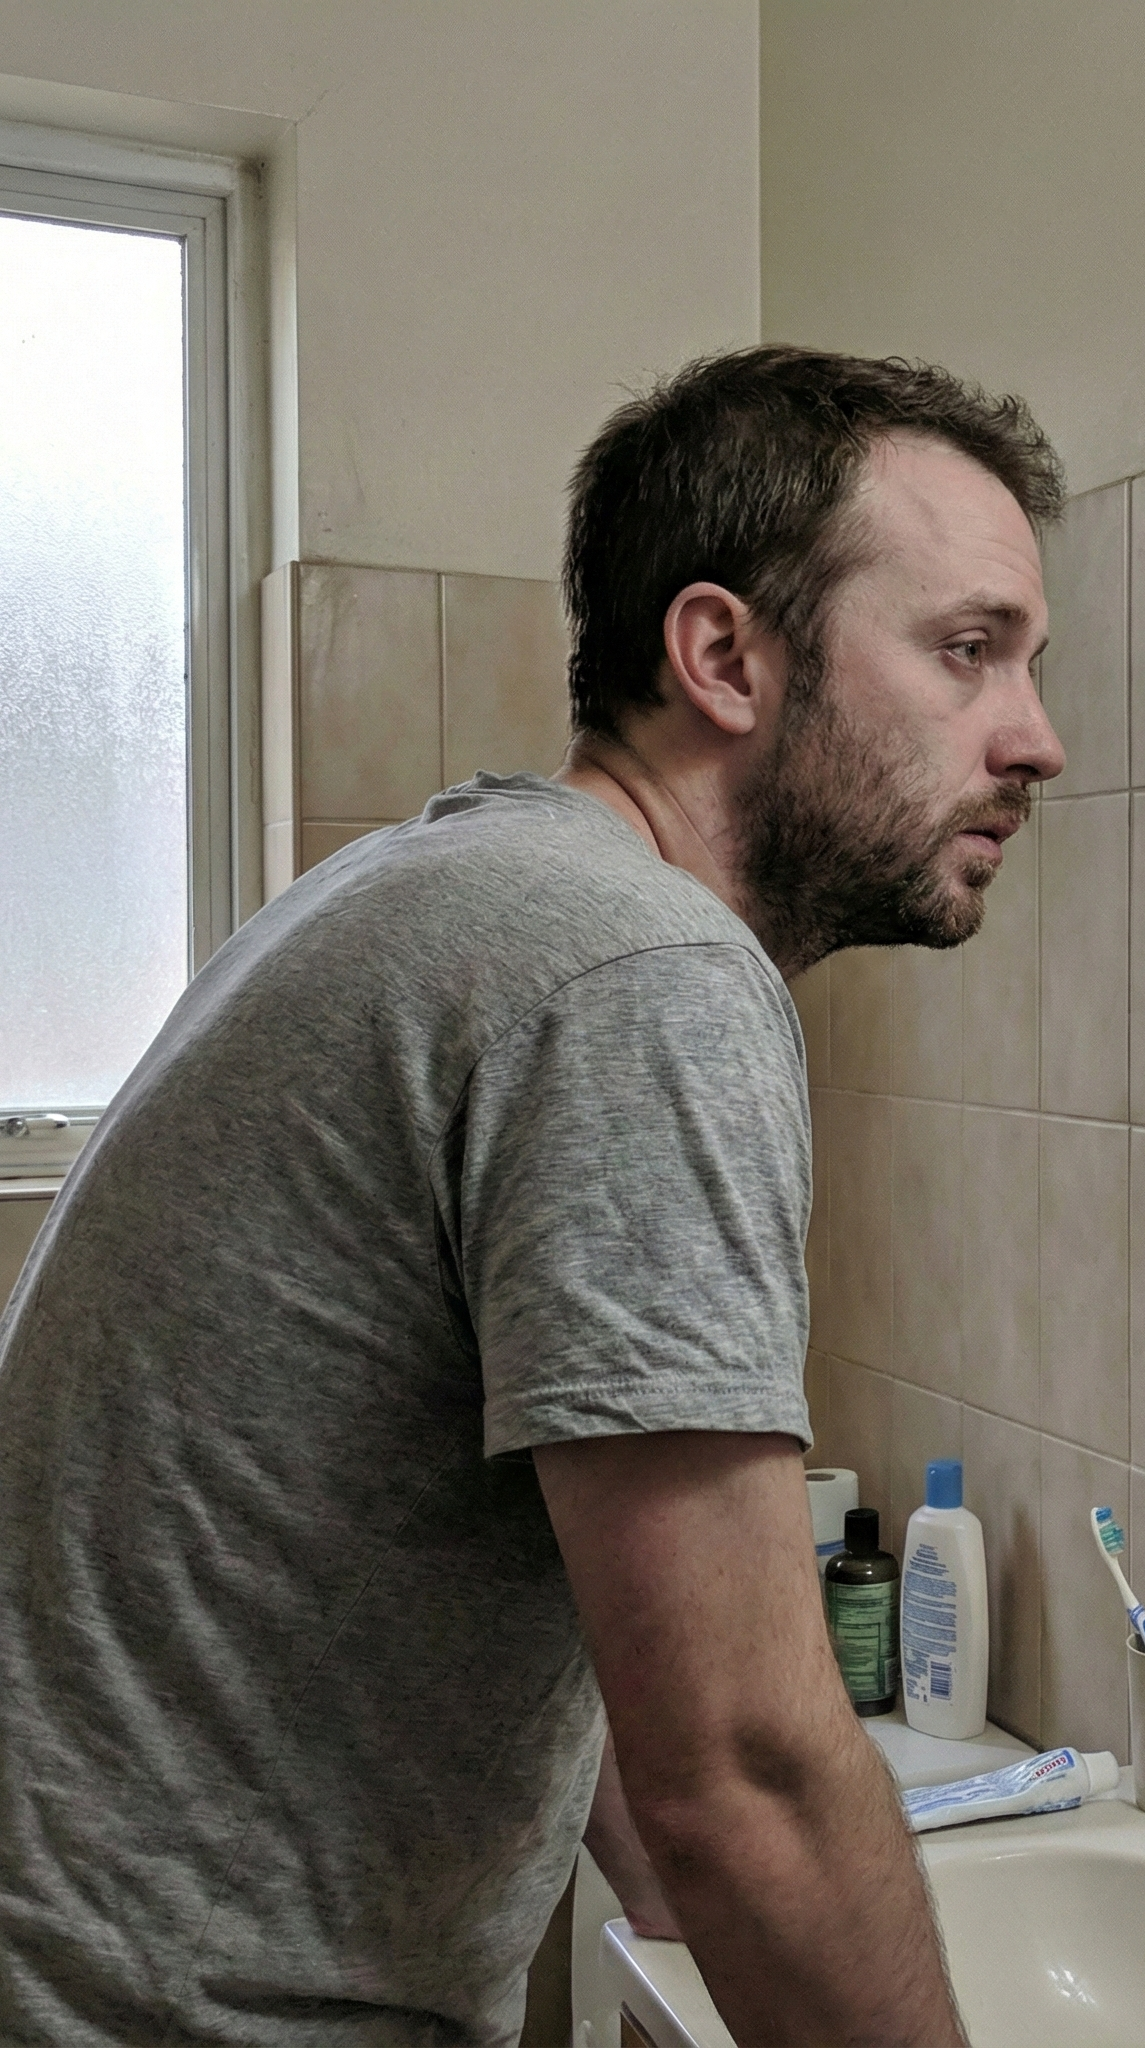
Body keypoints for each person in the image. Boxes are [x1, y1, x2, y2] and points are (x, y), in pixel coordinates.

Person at [0, 345, 1066, 2046]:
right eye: (966, 650)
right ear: (722, 656)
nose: (1036, 739)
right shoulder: (635, 974)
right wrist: (737, 1853)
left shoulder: (453, 884)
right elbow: (746, 1771)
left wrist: (681, 1899)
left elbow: (616, 1629)